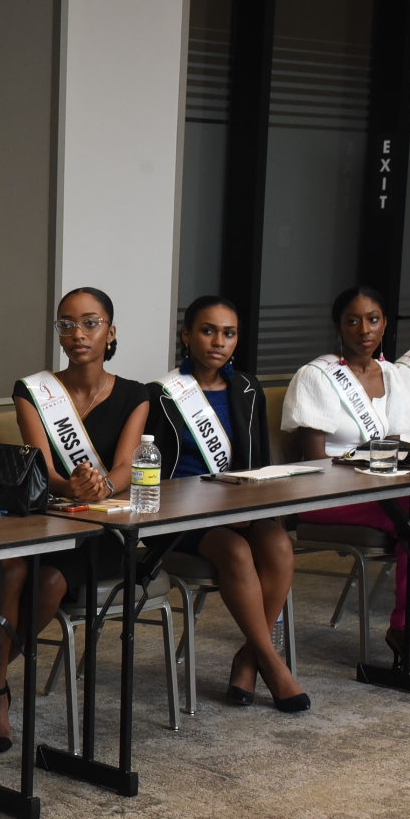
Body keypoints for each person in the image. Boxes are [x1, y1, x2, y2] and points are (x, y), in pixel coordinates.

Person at [0, 287, 151, 745]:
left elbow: (125, 470)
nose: (78, 333)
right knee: (10, 568)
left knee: (52, 581)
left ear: (110, 332)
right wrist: (69, 486)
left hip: (104, 530)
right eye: (67, 324)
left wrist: (98, 487)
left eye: (90, 323)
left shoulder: (137, 394)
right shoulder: (33, 391)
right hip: (46, 517)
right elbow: (43, 469)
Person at [281, 285, 410, 673]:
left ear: (385, 324)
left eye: (373, 319)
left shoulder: (395, 376)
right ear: (338, 326)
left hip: (382, 491)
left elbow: (404, 444)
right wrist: (368, 463)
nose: (364, 329)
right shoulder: (316, 376)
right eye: (353, 320)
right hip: (327, 495)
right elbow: (315, 462)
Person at [145, 296, 306, 711]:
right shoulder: (162, 395)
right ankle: (272, 661)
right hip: (183, 517)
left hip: (239, 507)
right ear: (187, 336)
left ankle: (248, 657)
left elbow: (260, 467)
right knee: (234, 551)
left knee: (279, 543)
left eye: (228, 333)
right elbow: (154, 473)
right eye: (208, 330)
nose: (219, 341)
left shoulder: (248, 389)